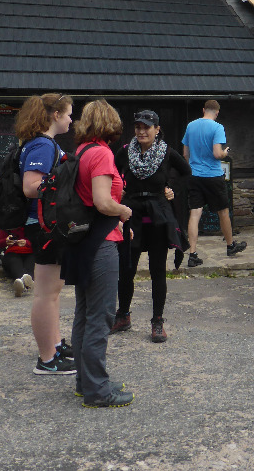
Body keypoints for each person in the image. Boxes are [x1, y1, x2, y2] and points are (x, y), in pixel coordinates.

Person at [69, 99, 134, 408]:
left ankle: (86, 381)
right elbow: (102, 201)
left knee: (84, 314)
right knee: (101, 316)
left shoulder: (79, 152)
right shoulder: (103, 154)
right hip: (101, 242)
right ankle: (98, 391)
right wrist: (124, 212)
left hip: (81, 241)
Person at [112, 110, 190, 343]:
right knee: (127, 268)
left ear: (157, 130)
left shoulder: (166, 152)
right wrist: (119, 190)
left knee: (158, 270)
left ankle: (157, 321)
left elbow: (186, 172)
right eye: (138, 126)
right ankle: (123, 315)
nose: (141, 131)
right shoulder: (125, 152)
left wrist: (171, 187)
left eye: (147, 127)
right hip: (132, 214)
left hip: (156, 215)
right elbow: (112, 175)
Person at [15, 93, 77, 376]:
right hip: (43, 224)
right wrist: (61, 185)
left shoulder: (40, 143)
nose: (71, 119)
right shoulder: (42, 145)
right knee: (45, 293)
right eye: (68, 114)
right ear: (55, 115)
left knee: (52, 292)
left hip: (43, 224)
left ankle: (54, 345)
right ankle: (46, 359)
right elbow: (31, 186)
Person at [182, 100, 246, 261]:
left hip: (195, 175)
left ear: (203, 110)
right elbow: (217, 154)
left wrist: (192, 168)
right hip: (213, 176)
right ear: (217, 113)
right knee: (223, 211)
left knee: (195, 213)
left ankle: (192, 254)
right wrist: (225, 152)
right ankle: (230, 246)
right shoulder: (218, 127)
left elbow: (185, 154)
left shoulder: (191, 126)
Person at [0, 227, 35, 297]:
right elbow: (0, 244)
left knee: (30, 266)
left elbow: (40, 241)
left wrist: (27, 243)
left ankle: (21, 284)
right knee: (14, 263)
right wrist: (6, 241)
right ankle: (22, 282)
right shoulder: (7, 223)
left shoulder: (32, 220)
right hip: (12, 252)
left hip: (30, 252)